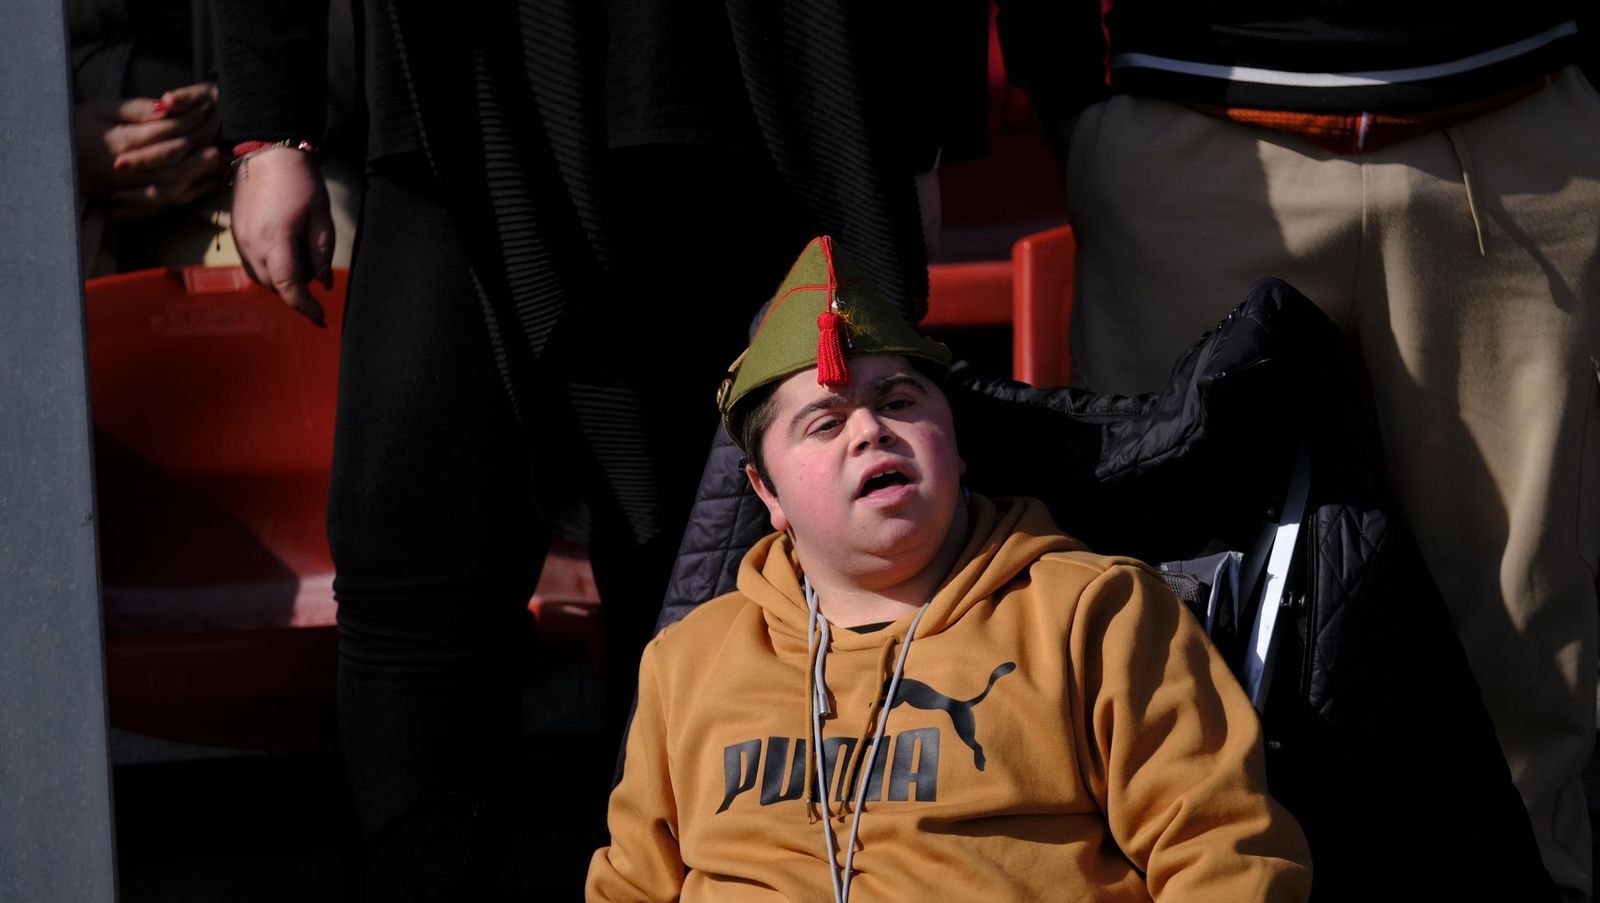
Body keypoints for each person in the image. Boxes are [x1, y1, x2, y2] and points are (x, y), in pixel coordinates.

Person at [997, 3, 1600, 897]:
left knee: (1523, 608)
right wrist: (1082, 108)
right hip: (1187, 134)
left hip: (1514, 135)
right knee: (1164, 610)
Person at [586, 236, 1313, 901]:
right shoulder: (686, 661)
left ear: (956, 444)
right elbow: (629, 887)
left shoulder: (1096, 613)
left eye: (900, 401)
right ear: (766, 493)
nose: (870, 429)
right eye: (826, 422)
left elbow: (1229, 858)